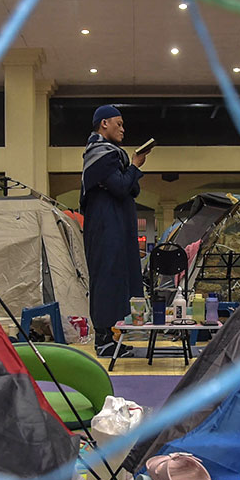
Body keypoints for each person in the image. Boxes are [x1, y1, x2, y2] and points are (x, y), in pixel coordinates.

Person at [81, 105, 149, 357]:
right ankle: (104, 339)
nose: (122, 129)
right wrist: (135, 165)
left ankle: (113, 336)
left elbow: (130, 187)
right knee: (107, 278)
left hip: (116, 225)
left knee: (118, 277)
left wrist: (131, 170)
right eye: (118, 124)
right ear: (104, 124)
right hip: (106, 226)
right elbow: (121, 187)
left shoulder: (112, 156)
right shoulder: (100, 154)